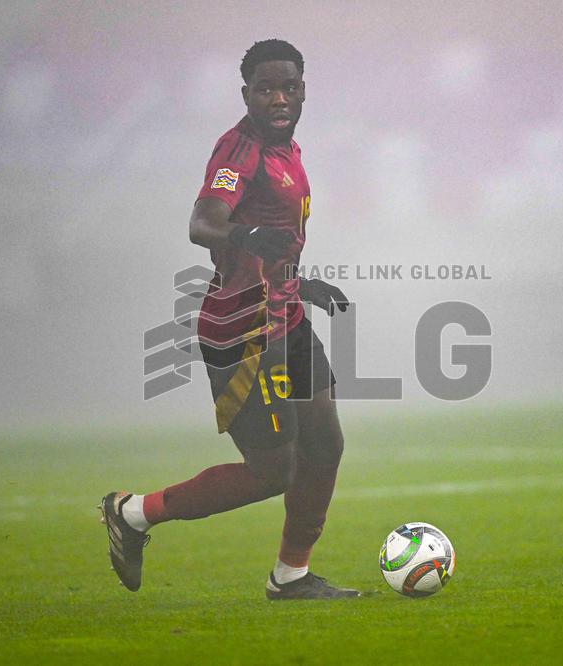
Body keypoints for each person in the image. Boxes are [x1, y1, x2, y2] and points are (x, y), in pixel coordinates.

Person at [100, 39, 358, 600]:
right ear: (246, 95)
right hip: (243, 330)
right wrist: (245, 234)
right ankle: (134, 512)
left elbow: (269, 242)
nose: (278, 98)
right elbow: (204, 223)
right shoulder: (240, 151)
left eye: (289, 87)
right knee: (272, 472)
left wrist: (298, 282)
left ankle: (290, 577)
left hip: (285, 316)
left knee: (325, 446)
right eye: (265, 89)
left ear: (304, 91)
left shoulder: (288, 150)